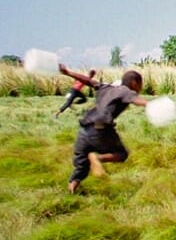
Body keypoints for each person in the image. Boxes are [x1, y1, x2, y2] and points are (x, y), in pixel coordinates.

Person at [60, 64, 148, 195]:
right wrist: (151, 104)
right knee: (122, 154)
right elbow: (135, 100)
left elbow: (88, 81)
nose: (140, 87)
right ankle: (97, 158)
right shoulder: (126, 91)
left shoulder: (106, 87)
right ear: (135, 83)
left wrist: (68, 72)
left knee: (81, 167)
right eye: (140, 84)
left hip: (84, 130)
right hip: (101, 129)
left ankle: (71, 192)